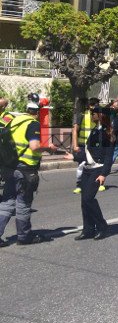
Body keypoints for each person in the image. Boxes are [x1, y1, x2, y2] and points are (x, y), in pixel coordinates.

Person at [0, 101, 59, 246]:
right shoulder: (32, 124)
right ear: (38, 112)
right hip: (25, 170)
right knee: (23, 204)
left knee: (7, 202)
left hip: (10, 168)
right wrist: (48, 148)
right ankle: (24, 236)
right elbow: (34, 147)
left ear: (26, 109)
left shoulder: (13, 121)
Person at [73, 107, 114, 240]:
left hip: (98, 169)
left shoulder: (108, 133)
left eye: (93, 113)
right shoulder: (95, 130)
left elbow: (109, 157)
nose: (91, 115)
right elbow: (89, 152)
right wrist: (75, 157)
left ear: (101, 115)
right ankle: (88, 229)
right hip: (87, 169)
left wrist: (104, 174)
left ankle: (103, 227)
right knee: (84, 201)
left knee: (88, 199)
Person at [71, 97, 99, 194]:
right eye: (94, 105)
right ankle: (79, 185)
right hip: (83, 145)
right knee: (81, 166)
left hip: (95, 146)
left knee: (96, 165)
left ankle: (97, 183)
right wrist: (75, 145)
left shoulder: (99, 116)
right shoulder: (82, 115)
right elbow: (75, 130)